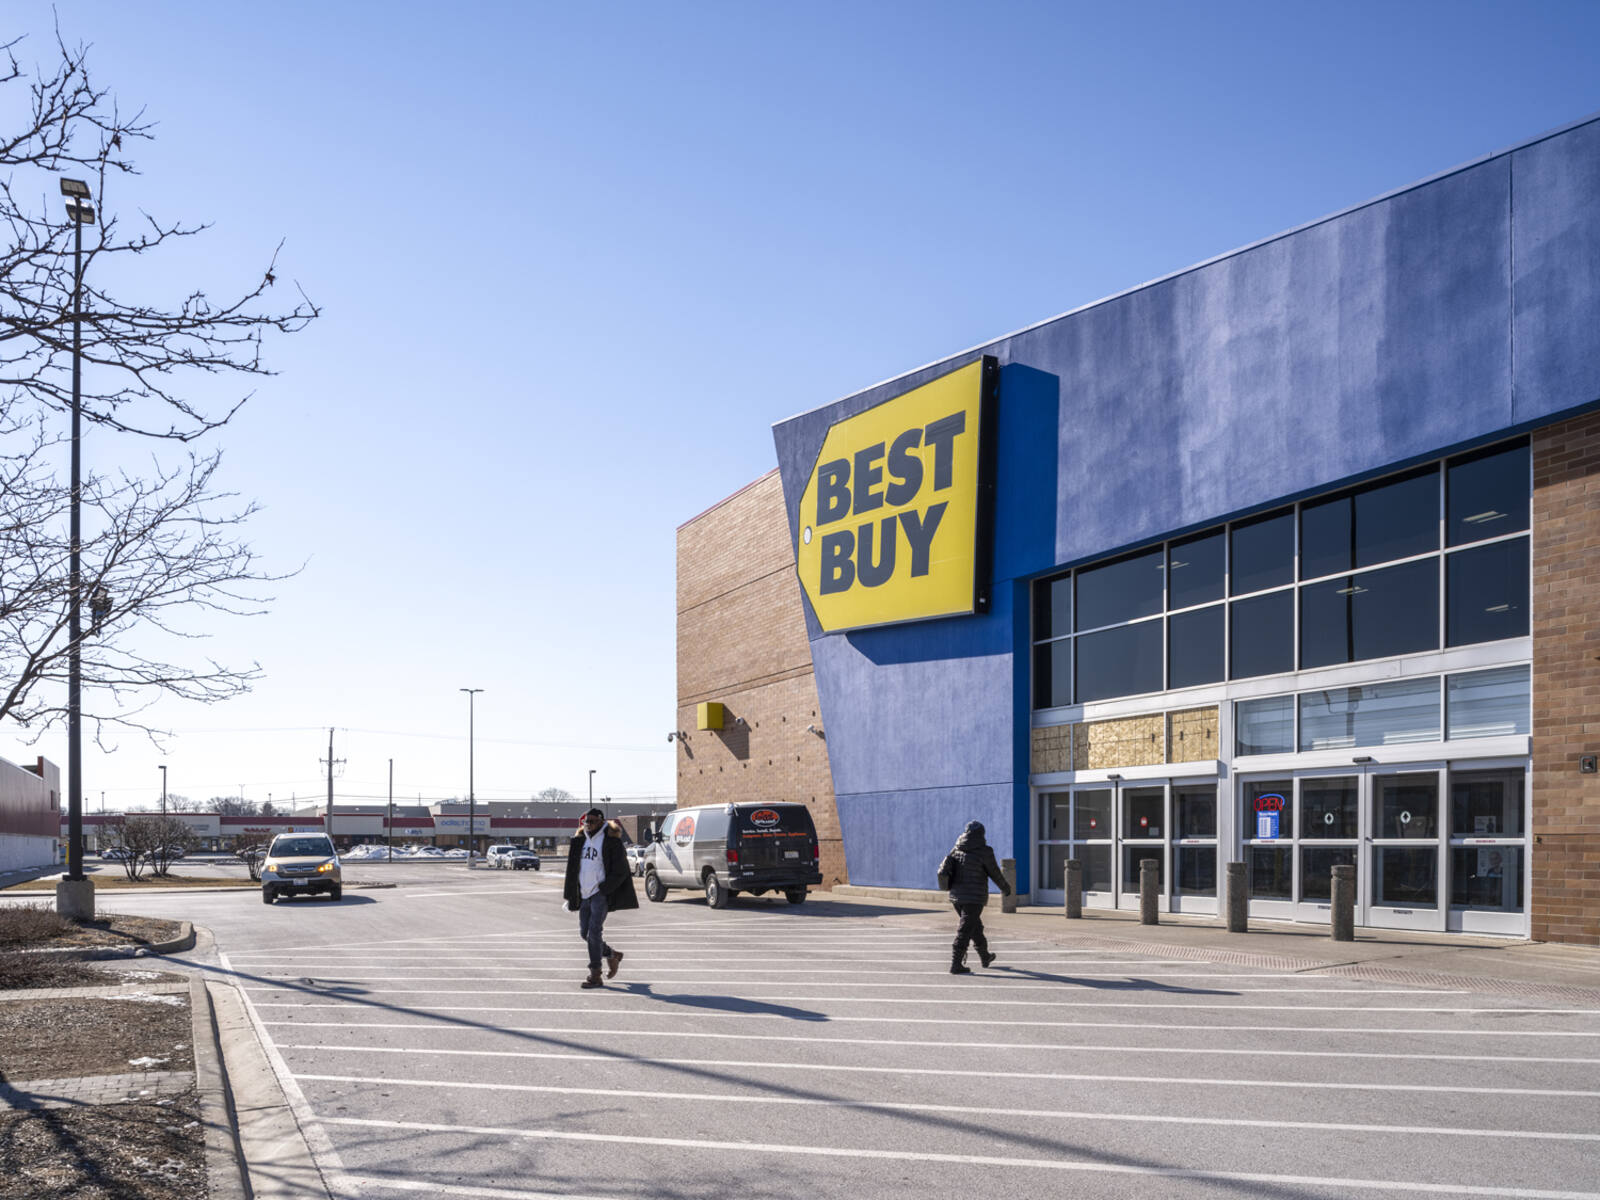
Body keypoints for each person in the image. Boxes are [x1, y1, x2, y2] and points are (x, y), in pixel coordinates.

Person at [562, 808, 639, 988]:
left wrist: (604, 889)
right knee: (585, 933)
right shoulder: (580, 840)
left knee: (594, 932)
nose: (589, 825)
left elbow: (621, 871)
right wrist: (572, 893)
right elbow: (572, 870)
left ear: (602, 822)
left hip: (600, 894)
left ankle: (595, 975)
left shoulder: (611, 841)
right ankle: (612, 955)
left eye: (593, 821)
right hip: (584, 894)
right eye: (586, 822)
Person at [938, 820, 1011, 975]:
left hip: (957, 897)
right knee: (965, 930)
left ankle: (985, 956)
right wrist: (1005, 888)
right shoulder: (985, 851)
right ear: (981, 834)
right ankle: (956, 964)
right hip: (974, 897)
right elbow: (995, 873)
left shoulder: (956, 848)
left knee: (974, 927)